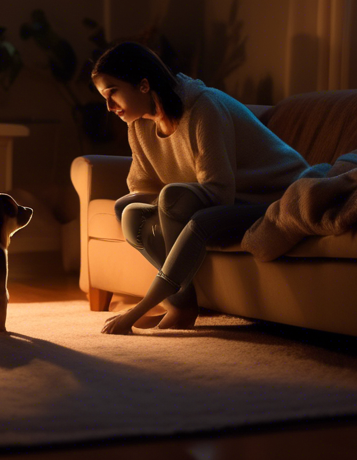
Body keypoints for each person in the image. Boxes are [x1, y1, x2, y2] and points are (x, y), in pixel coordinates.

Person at [91, 42, 311, 335]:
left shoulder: (204, 107)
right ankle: (182, 304)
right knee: (126, 210)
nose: (109, 106)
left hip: (277, 194)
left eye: (112, 93)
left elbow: (219, 191)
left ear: (143, 85)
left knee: (173, 199)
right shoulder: (139, 125)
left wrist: (135, 312)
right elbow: (142, 185)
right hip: (227, 198)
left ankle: (170, 308)